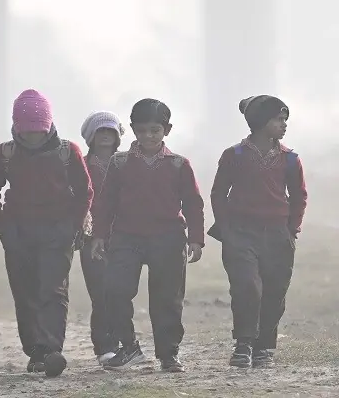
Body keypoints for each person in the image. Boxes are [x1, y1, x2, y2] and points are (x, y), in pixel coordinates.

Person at [0, 89, 93, 378]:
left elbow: (84, 191)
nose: (33, 137)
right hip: (18, 233)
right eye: (27, 131)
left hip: (58, 231)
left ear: (49, 125)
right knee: (25, 292)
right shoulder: (5, 154)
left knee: (53, 290)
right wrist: (2, 226)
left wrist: (75, 225)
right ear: (16, 127)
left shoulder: (68, 152)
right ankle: (35, 351)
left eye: (38, 131)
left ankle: (51, 349)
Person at [91, 98, 204, 372]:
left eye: (155, 130)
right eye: (142, 130)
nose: (148, 136)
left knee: (167, 299)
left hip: (168, 238)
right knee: (114, 291)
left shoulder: (178, 164)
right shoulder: (119, 163)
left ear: (167, 130)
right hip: (126, 237)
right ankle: (129, 347)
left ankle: (168, 354)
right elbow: (106, 202)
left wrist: (196, 239)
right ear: (132, 129)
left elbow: (193, 203)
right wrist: (99, 235)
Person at [210, 95, 307, 369]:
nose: (284, 124)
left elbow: (299, 196)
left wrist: (292, 229)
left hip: (278, 235)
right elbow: (218, 193)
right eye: (278, 119)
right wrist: (226, 229)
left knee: (275, 291)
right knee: (247, 287)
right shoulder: (234, 156)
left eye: (285, 119)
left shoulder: (290, 159)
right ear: (260, 121)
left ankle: (264, 346)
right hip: (240, 234)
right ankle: (243, 344)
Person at [79, 111, 124, 365]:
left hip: (125, 236)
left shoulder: (127, 164)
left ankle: (121, 343)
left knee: (120, 292)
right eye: (100, 131)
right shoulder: (81, 166)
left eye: (110, 131)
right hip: (91, 237)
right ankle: (104, 346)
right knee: (100, 292)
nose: (106, 135)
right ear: (91, 137)